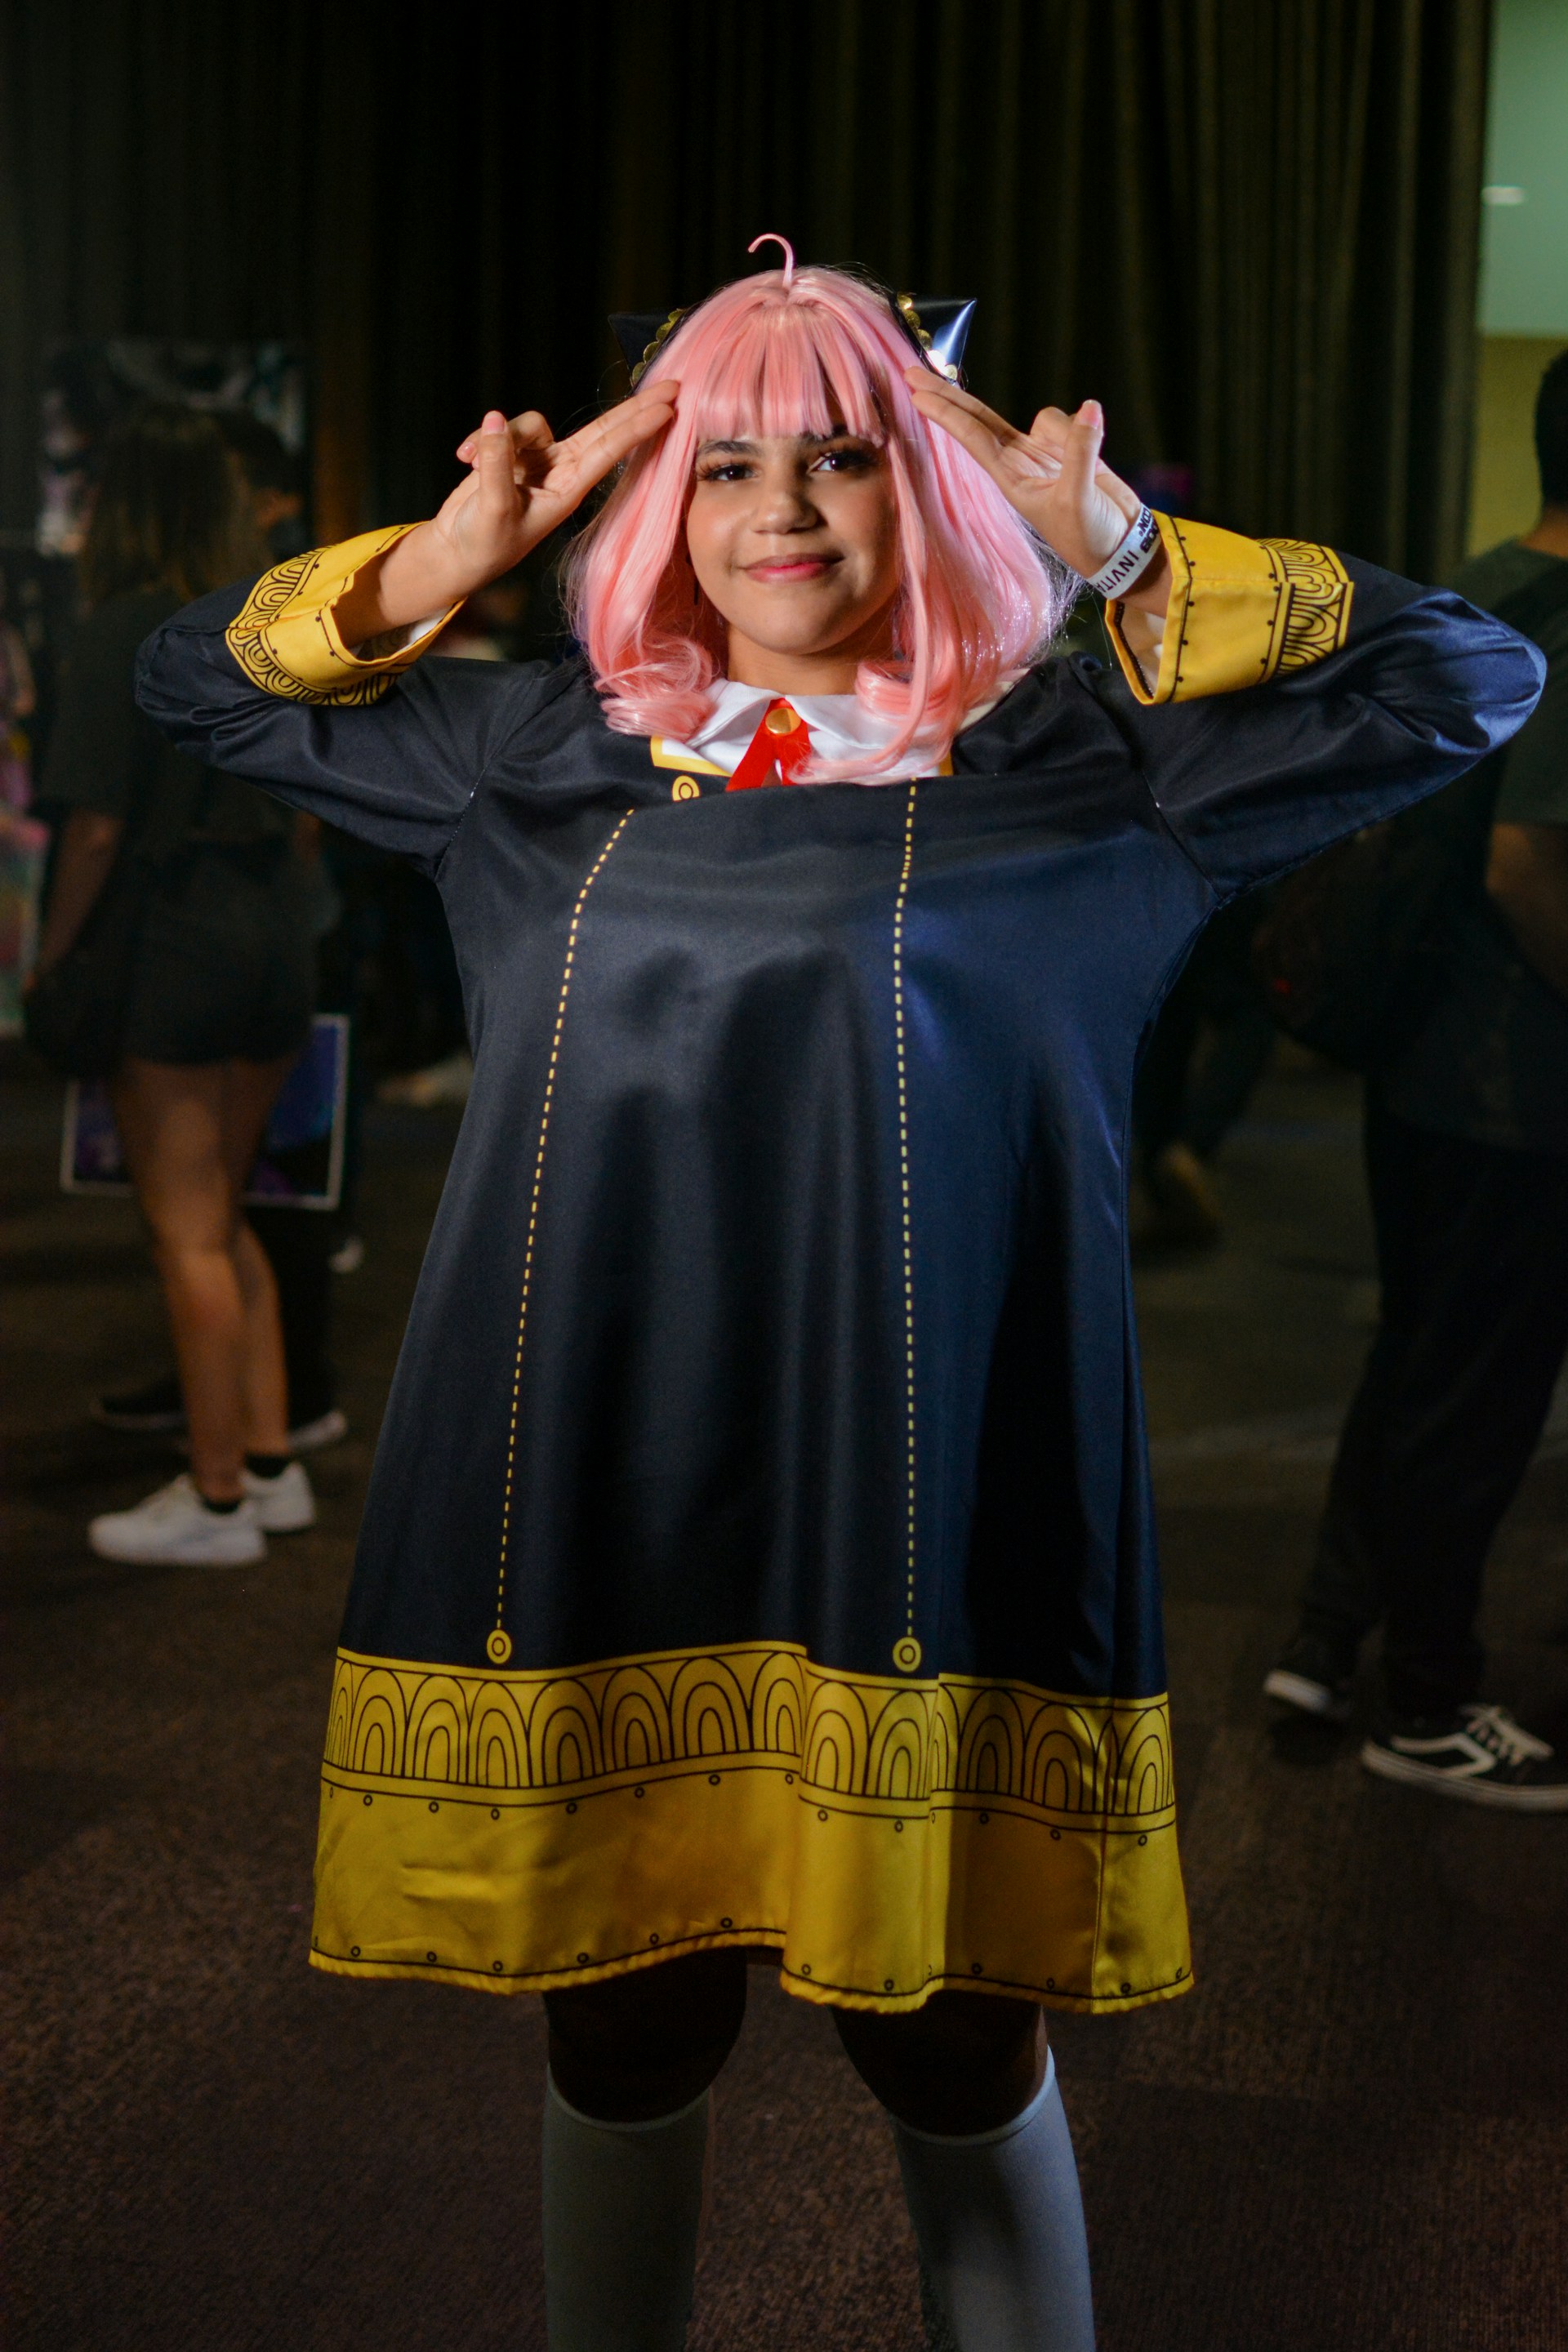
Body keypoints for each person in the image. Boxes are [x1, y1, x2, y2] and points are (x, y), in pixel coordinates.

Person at [137, 248, 1538, 2352]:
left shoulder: (1096, 767)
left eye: (843, 455)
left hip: (935, 1503)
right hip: (609, 1500)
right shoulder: (541, 755)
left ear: (940, 481)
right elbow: (201, 682)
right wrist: (444, 555)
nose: (779, 511)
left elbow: (1470, 675)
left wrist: (1133, 551)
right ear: (657, 498)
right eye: (722, 463)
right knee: (622, 2043)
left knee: (953, 2052)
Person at [1266, 350, 1568, 1809]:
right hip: (1521, 1076)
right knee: (1479, 1389)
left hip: (1417, 1050)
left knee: (1419, 1355)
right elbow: (1532, 863)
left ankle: (1327, 1642)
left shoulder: (1470, 586)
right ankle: (1429, 1700)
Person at [34, 403, 318, 1566]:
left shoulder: (114, 633)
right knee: (230, 1212)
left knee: (185, 1230)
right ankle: (267, 1462)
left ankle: (214, 1504)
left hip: (175, 945)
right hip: (273, 935)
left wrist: (50, 959)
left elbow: (94, 828)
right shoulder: (268, 623)